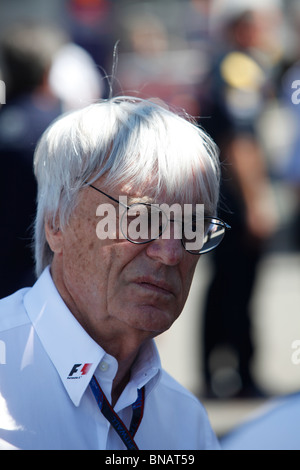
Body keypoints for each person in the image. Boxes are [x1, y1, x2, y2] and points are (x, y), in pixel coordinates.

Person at [0, 96, 229, 450]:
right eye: (139, 219)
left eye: (192, 227)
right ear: (57, 222)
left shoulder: (185, 421)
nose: (170, 253)